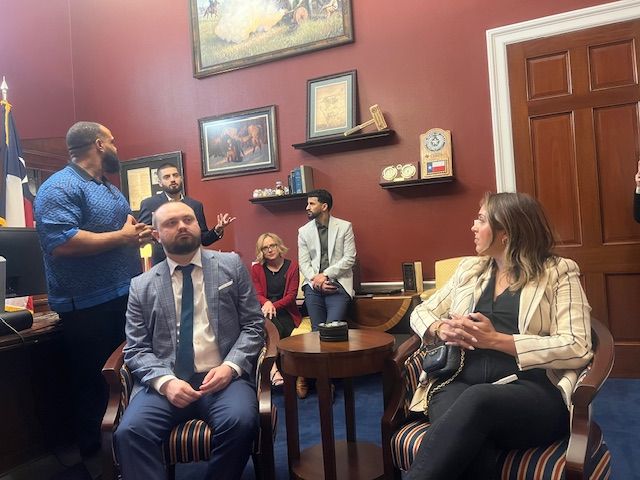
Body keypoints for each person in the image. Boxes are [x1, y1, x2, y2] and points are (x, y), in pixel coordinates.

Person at [406, 192, 593, 480]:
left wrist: (496, 340)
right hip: (457, 380)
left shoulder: (558, 272)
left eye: (481, 219)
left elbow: (577, 345)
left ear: (506, 232)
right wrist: (439, 328)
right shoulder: (470, 270)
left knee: (476, 402)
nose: (472, 226)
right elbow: (421, 311)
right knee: (467, 441)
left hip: (530, 390)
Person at [114, 201, 264, 479]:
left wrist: (231, 367)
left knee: (240, 421)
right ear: (156, 235)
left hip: (222, 380)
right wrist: (165, 382)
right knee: (130, 432)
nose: (182, 226)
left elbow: (254, 326)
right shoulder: (141, 285)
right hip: (165, 383)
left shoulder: (231, 265)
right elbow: (136, 348)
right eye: (171, 223)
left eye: (188, 220)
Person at [34, 121, 153, 460]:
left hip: (124, 294)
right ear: (99, 144)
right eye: (112, 141)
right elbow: (61, 242)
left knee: (127, 374)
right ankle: (98, 458)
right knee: (95, 382)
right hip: (87, 305)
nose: (117, 146)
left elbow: (119, 234)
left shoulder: (109, 188)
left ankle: (129, 447)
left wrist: (135, 234)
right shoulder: (60, 186)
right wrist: (122, 237)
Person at [297, 189, 356, 397]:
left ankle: (317, 377)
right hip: (314, 287)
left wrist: (326, 275)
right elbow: (303, 263)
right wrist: (316, 280)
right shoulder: (303, 231)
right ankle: (322, 381)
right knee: (316, 332)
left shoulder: (344, 227)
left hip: (337, 285)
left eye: (311, 203)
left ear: (324, 206)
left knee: (332, 330)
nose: (307, 207)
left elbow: (349, 258)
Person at [138, 162, 236, 264]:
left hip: (192, 262)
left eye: (175, 175)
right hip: (162, 263)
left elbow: (203, 239)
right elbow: (141, 236)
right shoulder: (149, 204)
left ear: (180, 178)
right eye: (167, 177)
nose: (172, 179)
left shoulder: (195, 205)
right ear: (160, 182)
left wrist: (217, 229)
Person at [250, 232, 301, 386]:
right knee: (267, 323)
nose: (270, 250)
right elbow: (257, 294)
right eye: (265, 248)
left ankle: (272, 368)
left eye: (272, 245)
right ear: (261, 251)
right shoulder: (256, 268)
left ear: (279, 246)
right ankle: (273, 368)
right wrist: (266, 303)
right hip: (264, 311)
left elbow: (291, 296)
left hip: (286, 311)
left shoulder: (292, 266)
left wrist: (272, 305)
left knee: (276, 327)